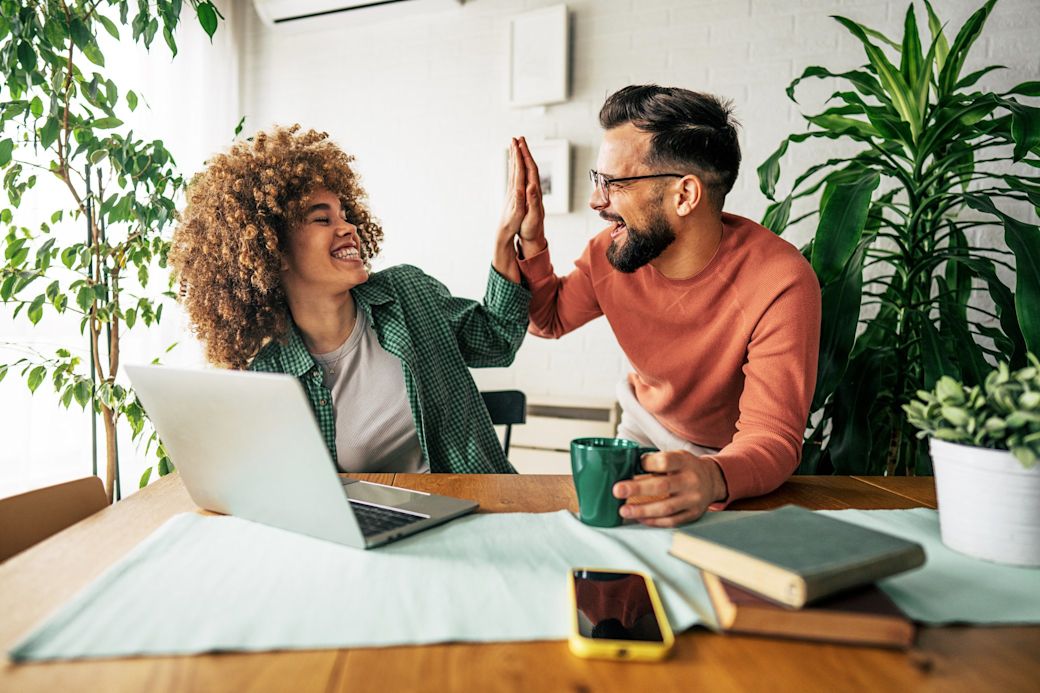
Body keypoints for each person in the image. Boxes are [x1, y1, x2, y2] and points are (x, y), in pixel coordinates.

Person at [513, 85, 821, 525]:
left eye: (613, 183)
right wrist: (531, 236)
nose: (596, 201)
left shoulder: (781, 281)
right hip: (641, 433)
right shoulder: (610, 253)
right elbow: (549, 319)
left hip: (734, 462)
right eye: (597, 180)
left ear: (684, 196)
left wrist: (712, 477)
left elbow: (771, 437)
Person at [170, 125, 540, 474]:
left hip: (479, 512)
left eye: (345, 215)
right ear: (274, 250)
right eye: (322, 220)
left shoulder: (408, 293)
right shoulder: (270, 375)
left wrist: (506, 236)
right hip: (372, 534)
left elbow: (498, 339)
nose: (348, 228)